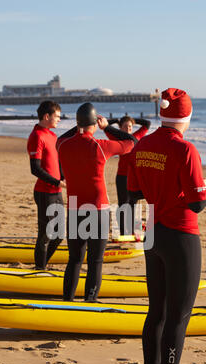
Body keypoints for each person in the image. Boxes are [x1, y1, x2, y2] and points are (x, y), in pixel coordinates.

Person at [128, 88, 206, 364]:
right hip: (181, 235)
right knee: (178, 316)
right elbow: (198, 203)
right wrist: (204, 188)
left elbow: (133, 190)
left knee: (156, 312)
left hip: (153, 235)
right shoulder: (185, 149)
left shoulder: (142, 145)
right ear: (186, 116)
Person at [57, 102, 137, 301]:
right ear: (95, 123)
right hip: (98, 210)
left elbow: (61, 137)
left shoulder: (63, 146)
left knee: (74, 259)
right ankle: (90, 299)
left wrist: (81, 124)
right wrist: (107, 127)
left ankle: (67, 299)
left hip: (75, 210)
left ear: (78, 123)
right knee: (95, 260)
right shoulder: (101, 147)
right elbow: (132, 142)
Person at [27, 100, 66, 270]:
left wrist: (64, 179)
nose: (59, 119)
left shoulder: (52, 135)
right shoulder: (37, 136)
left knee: (59, 235)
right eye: (56, 116)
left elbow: (57, 163)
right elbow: (35, 169)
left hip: (57, 192)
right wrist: (56, 181)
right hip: (44, 192)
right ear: (46, 116)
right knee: (46, 234)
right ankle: (40, 269)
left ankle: (41, 265)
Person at [108, 115, 150, 235]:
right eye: (125, 126)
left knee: (133, 203)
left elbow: (147, 123)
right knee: (123, 204)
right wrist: (116, 120)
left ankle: (130, 231)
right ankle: (122, 231)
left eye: (130, 126)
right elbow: (105, 127)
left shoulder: (136, 137)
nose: (128, 128)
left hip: (135, 177)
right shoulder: (117, 138)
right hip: (122, 176)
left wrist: (133, 120)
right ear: (120, 128)